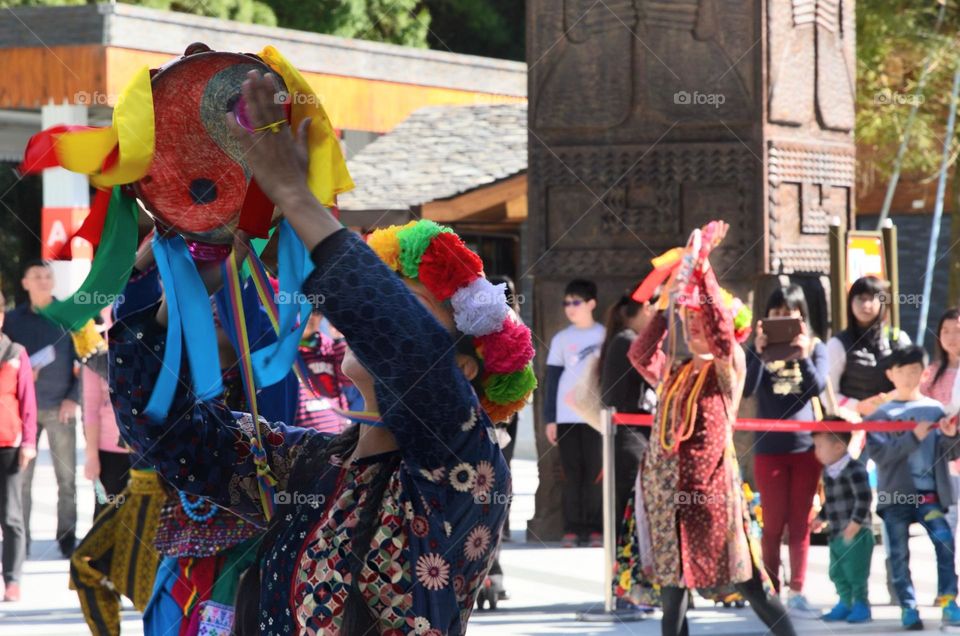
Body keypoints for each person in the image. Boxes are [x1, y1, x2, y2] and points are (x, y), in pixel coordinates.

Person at [110, 68, 530, 636]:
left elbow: (403, 343)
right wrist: (188, 275)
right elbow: (165, 429)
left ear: (460, 368)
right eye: (384, 288)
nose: (369, 314)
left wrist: (293, 195)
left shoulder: (464, 466)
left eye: (409, 299)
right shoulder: (305, 464)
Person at [628, 221, 795, 636]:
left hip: (712, 492)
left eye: (699, 317)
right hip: (667, 494)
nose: (693, 325)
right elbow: (639, 352)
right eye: (688, 319)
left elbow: (722, 335)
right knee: (673, 593)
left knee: (747, 579)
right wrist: (670, 305)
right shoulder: (675, 370)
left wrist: (701, 271)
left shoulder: (728, 365)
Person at [743, 285, 828, 617]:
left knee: (800, 522)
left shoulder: (814, 347)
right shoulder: (757, 350)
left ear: (801, 316)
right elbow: (748, 388)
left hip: (805, 447)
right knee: (773, 523)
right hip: (769, 447)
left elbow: (817, 387)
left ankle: (797, 590)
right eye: (776, 313)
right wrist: (760, 354)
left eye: (788, 313)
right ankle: (771, 590)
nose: (782, 318)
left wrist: (803, 353)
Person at [866, 345, 960, 630]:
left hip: (929, 495)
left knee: (945, 542)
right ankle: (907, 606)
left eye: (914, 371)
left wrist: (951, 435)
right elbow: (880, 455)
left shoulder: (934, 410)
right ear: (890, 375)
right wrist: (913, 436)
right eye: (902, 372)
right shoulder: (880, 415)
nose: (908, 377)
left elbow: (950, 454)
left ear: (923, 373)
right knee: (897, 551)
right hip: (895, 495)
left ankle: (948, 600)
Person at [2, 259, 80, 557]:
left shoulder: (68, 315)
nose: (44, 281)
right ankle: (20, 541)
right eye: (37, 276)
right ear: (25, 283)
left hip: (62, 406)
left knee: (67, 479)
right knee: (21, 481)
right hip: (23, 412)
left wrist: (74, 398)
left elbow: (86, 360)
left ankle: (67, 537)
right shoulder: (12, 320)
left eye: (48, 276)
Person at [544, 278, 605, 548]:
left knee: (595, 473)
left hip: (595, 417)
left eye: (576, 302)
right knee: (571, 473)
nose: (570, 307)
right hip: (566, 416)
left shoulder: (605, 335)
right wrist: (550, 419)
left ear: (591, 304)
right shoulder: (561, 339)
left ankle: (594, 529)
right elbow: (552, 380)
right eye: (567, 302)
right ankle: (571, 528)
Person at [598, 291, 658, 531]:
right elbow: (658, 374)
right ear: (645, 308)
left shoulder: (624, 338)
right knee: (631, 514)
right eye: (656, 310)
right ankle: (625, 566)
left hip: (633, 436)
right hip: (629, 440)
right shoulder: (628, 341)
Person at [811, 430, 874, 624]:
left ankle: (861, 604)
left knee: (856, 571)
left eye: (820, 446)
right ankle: (845, 602)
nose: (816, 452)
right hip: (837, 532)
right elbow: (830, 501)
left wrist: (855, 523)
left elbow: (864, 497)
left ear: (838, 446)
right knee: (837, 570)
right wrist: (821, 517)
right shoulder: (829, 472)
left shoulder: (854, 469)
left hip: (856, 532)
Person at [826, 275, 910, 418]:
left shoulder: (899, 339)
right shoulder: (837, 344)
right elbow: (827, 393)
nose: (866, 305)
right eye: (860, 298)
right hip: (851, 425)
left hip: (893, 425)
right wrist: (857, 406)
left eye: (871, 298)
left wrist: (889, 399)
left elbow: (914, 382)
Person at [0, 292, 37, 602]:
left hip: (9, 445)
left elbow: (28, 402)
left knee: (11, 516)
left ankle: (12, 580)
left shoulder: (15, 352)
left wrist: (29, 442)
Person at [82, 312, 129, 520]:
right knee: (108, 516)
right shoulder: (97, 353)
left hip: (145, 449)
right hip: (109, 452)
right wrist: (92, 456)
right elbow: (90, 409)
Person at [294, 310, 350, 434]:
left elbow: (347, 380)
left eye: (315, 311)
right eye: (301, 308)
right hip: (301, 434)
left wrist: (338, 338)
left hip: (336, 432)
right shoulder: (285, 352)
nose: (309, 316)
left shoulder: (329, 346)